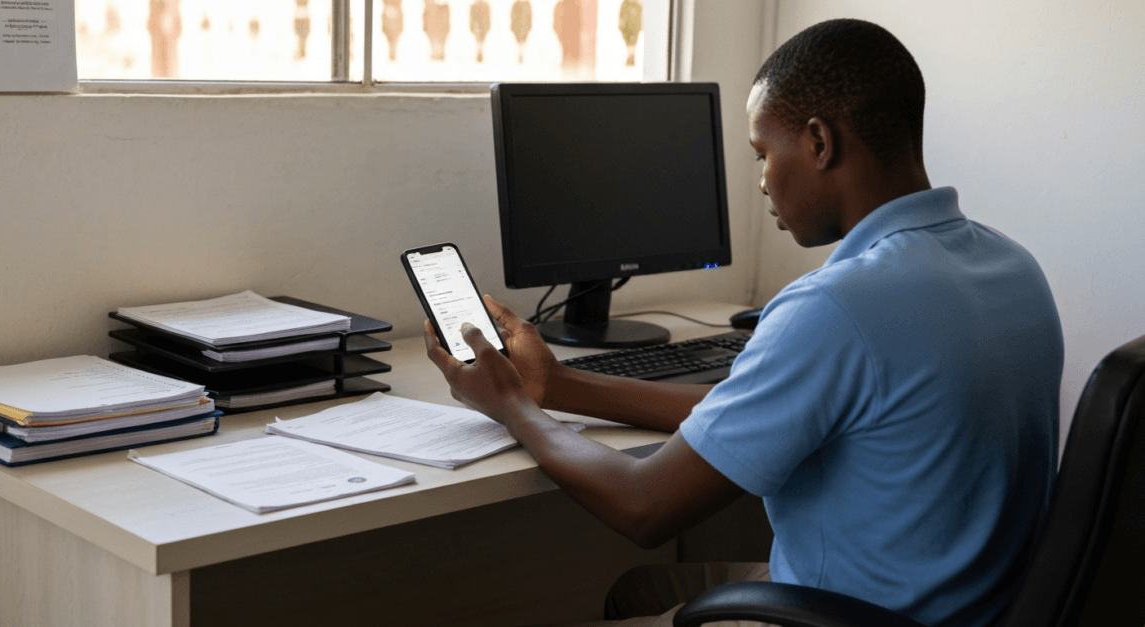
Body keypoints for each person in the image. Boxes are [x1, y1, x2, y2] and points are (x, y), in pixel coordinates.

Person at [424, 18, 1063, 627]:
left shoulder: (836, 307)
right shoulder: (1013, 267)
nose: (760, 183)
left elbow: (641, 505)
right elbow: (746, 416)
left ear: (819, 141)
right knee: (638, 591)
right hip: (965, 609)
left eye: (763, 152)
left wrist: (511, 406)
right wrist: (559, 388)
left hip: (846, 619)